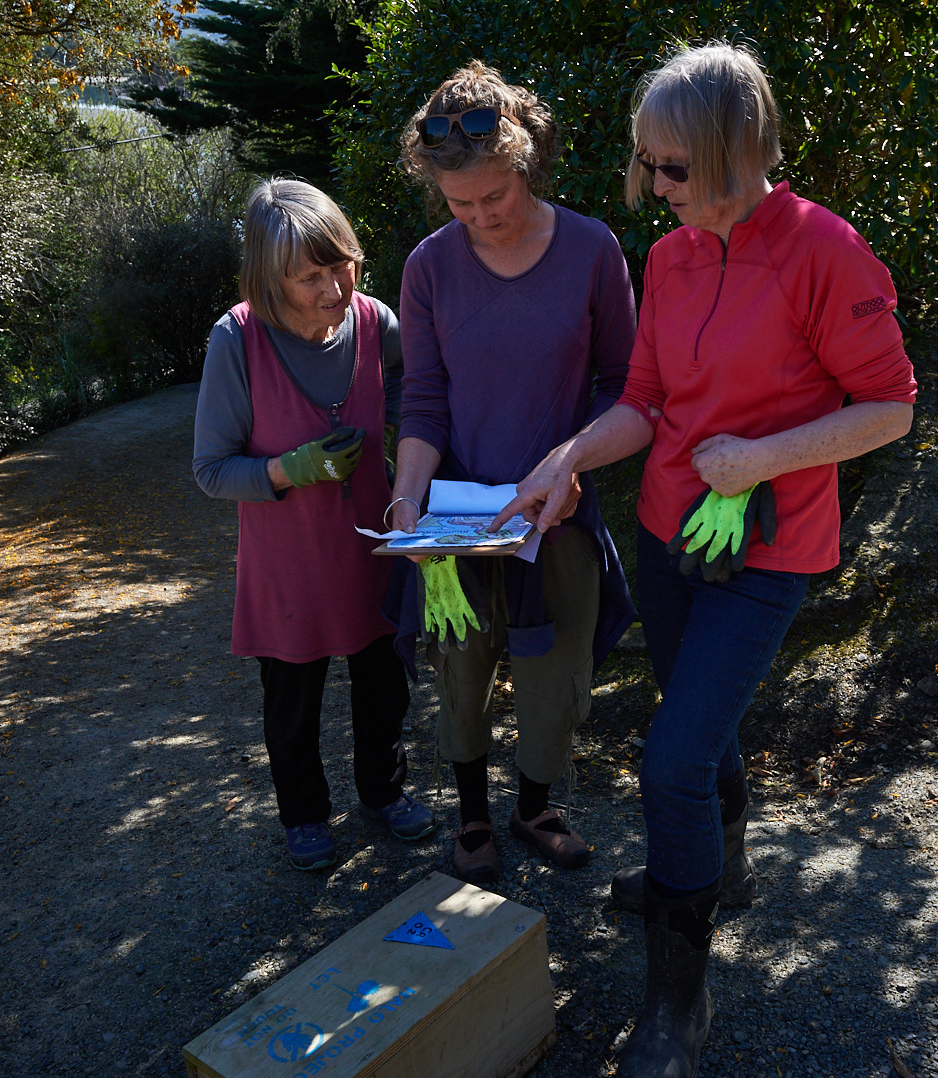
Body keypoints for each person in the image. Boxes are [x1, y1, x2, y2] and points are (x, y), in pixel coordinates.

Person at [492, 44, 918, 1076]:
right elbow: (644, 400)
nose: (652, 187)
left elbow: (891, 408)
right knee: (696, 717)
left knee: (673, 756)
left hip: (770, 550)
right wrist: (568, 458)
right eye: (647, 165)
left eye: (670, 167)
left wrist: (761, 458)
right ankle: (721, 870)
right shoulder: (673, 258)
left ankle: (679, 1004)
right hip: (670, 533)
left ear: (734, 153)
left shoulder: (825, 249)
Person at [387, 62, 638, 885]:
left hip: (555, 516)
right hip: (456, 522)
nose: (478, 218)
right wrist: (405, 498)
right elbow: (422, 401)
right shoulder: (429, 267)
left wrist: (571, 470)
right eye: (458, 204)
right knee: (458, 668)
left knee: (553, 676)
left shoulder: (593, 250)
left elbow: (625, 387)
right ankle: (470, 819)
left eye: (492, 197)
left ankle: (534, 808)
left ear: (525, 164)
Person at [192, 179, 434, 872]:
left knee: (384, 688)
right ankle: (304, 815)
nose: (334, 289)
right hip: (287, 567)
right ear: (272, 278)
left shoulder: (374, 322)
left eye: (344, 265)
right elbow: (211, 471)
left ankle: (384, 795)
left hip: (372, 553)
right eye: (311, 277)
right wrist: (287, 470)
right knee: (292, 705)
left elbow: (416, 409)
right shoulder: (237, 340)